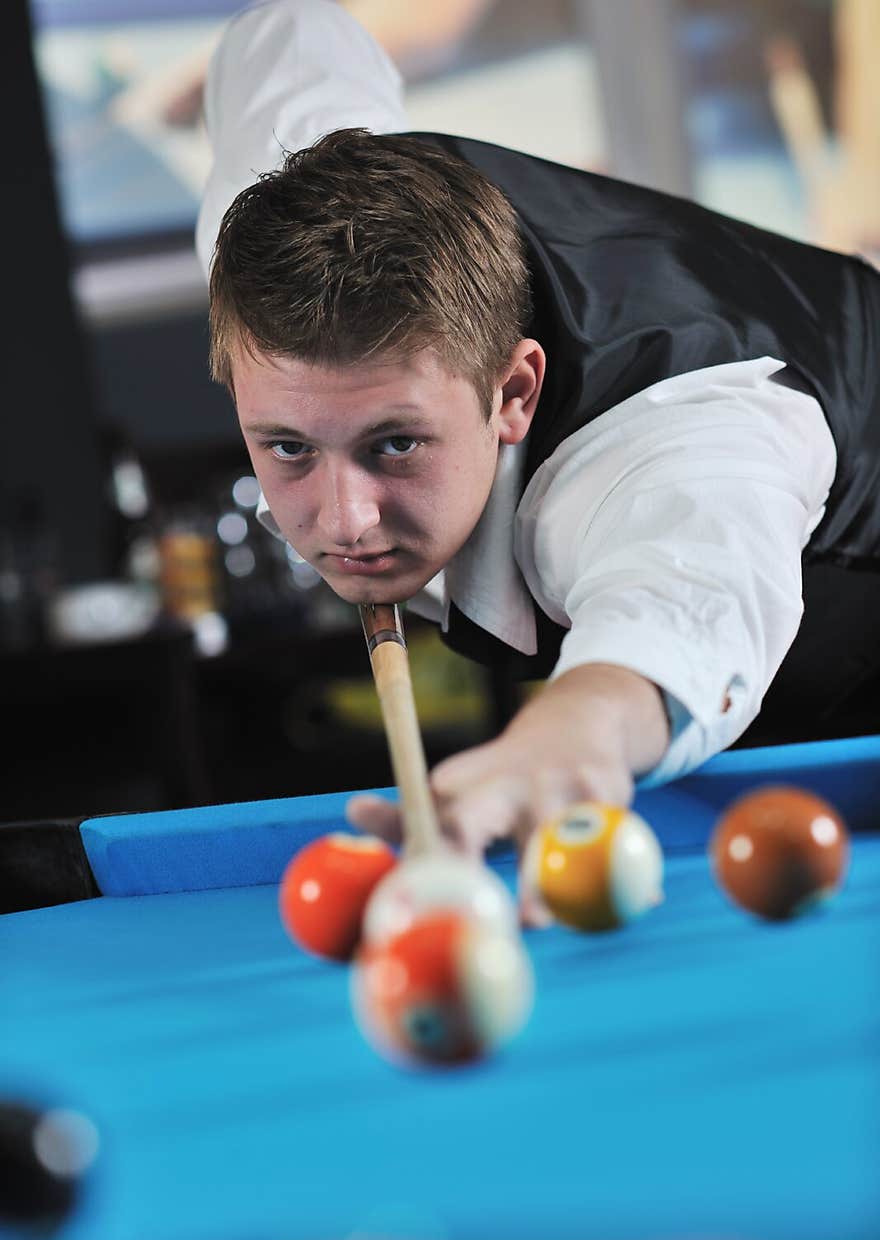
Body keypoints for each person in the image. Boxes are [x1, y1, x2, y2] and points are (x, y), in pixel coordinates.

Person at [196, 0, 880, 860]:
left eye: (395, 445)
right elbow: (289, 36)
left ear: (514, 392)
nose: (343, 522)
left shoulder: (673, 450)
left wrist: (555, 745)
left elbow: (666, 630)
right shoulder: (268, 237)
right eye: (289, 446)